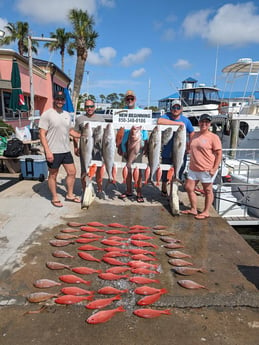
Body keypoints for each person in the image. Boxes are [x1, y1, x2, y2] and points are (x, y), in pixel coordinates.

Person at [39, 90, 81, 207]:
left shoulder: (67, 114)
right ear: (54, 99)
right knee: (53, 175)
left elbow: (70, 131)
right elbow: (42, 134)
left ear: (64, 101)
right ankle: (54, 197)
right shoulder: (47, 114)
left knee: (72, 172)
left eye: (62, 99)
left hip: (65, 150)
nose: (60, 101)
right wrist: (47, 151)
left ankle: (70, 194)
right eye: (57, 99)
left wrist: (83, 135)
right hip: (53, 151)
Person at [181, 113, 222, 219]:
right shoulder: (194, 135)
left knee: (207, 190)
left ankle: (206, 211)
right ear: (199, 123)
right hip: (193, 168)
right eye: (202, 122)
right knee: (189, 188)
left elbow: (219, 154)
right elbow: (189, 149)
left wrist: (214, 168)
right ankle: (193, 209)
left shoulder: (214, 137)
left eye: (206, 122)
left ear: (209, 124)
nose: (204, 124)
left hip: (206, 169)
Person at [157, 100, 194, 196]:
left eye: (178, 107)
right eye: (174, 107)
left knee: (179, 169)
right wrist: (178, 124)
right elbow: (159, 121)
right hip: (167, 150)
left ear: (181, 109)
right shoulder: (166, 116)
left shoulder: (186, 120)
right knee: (165, 170)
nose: (176, 109)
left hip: (181, 149)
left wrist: (189, 145)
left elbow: (192, 132)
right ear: (171, 108)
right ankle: (164, 188)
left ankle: (174, 191)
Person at [118, 90, 148, 203]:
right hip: (125, 146)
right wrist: (119, 146)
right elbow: (119, 131)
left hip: (137, 145)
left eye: (132, 99)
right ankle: (129, 190)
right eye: (128, 99)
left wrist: (145, 143)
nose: (130, 101)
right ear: (125, 100)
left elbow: (144, 130)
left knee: (138, 169)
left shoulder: (141, 112)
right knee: (128, 168)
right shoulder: (121, 112)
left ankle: (139, 192)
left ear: (135, 99)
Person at [73, 99, 105, 194]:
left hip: (97, 149)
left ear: (94, 107)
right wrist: (75, 147)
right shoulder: (80, 119)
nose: (89, 108)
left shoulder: (101, 119)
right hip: (84, 148)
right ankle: (85, 190)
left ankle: (99, 189)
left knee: (99, 170)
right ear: (84, 108)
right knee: (84, 169)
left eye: (91, 106)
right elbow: (75, 134)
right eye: (87, 107)